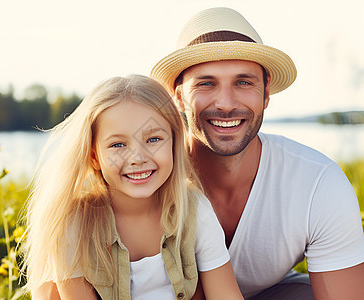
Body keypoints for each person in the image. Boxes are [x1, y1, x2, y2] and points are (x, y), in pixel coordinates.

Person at [150, 7, 364, 300]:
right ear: (179, 98)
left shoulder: (318, 183)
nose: (225, 104)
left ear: (265, 95)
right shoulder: (142, 177)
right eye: (206, 83)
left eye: (243, 82)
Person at [21, 74, 243, 299]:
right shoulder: (74, 224)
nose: (138, 158)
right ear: (94, 157)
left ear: (175, 143)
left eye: (154, 139)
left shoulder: (194, 210)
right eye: (118, 144)